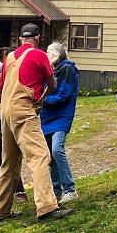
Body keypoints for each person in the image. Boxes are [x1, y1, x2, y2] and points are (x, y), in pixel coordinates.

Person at [0, 23, 73, 222]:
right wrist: (41, 98)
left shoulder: (9, 58)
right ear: (37, 39)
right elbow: (53, 84)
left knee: (8, 162)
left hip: (5, 112)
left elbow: (0, 90)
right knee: (40, 156)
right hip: (23, 110)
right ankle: (46, 207)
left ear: (20, 39)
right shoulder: (39, 55)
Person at [40, 42, 79, 203]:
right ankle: (56, 190)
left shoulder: (67, 69)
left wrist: (43, 100)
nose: (46, 54)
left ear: (56, 54)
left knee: (57, 150)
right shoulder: (49, 71)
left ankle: (70, 188)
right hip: (47, 116)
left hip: (62, 116)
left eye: (48, 52)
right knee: (50, 155)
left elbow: (63, 94)